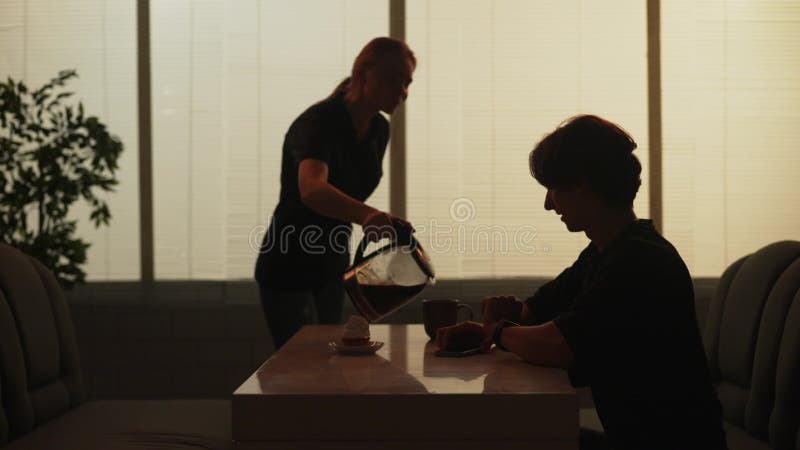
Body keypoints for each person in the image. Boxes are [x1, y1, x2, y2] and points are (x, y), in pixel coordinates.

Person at [437, 115, 728, 450]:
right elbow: (541, 311)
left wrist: (498, 332)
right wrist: (494, 323)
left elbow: (560, 344)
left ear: (581, 184)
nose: (548, 204)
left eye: (552, 188)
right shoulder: (604, 252)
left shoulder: (641, 261)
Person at [254, 37, 416, 350]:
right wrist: (367, 215)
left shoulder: (379, 129)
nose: (402, 91)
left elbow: (346, 193)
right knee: (299, 371)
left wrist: (376, 221)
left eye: (407, 82)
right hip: (289, 261)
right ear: (363, 73)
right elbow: (312, 189)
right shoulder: (318, 122)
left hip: (332, 262)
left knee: (331, 368)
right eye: (392, 79)